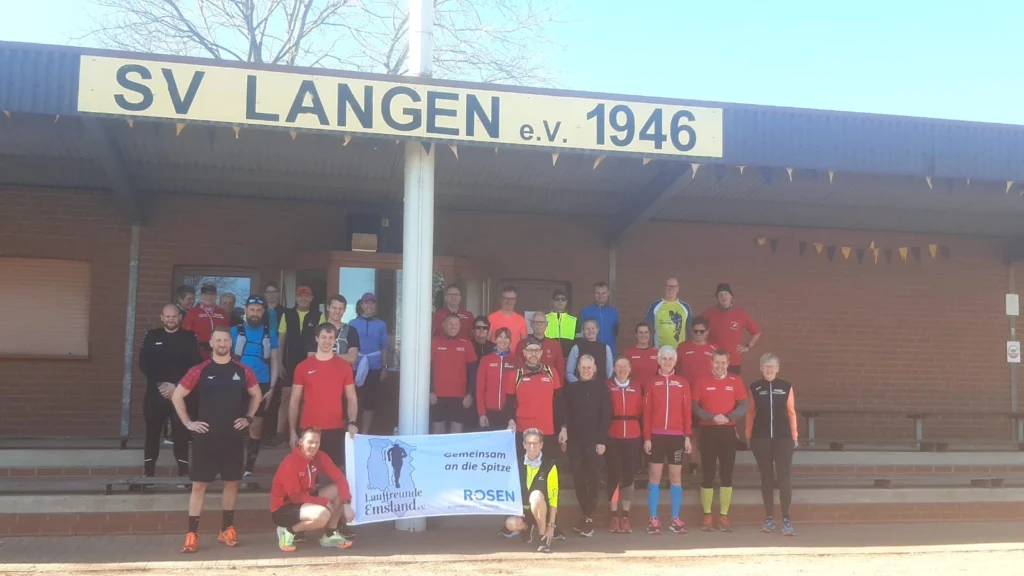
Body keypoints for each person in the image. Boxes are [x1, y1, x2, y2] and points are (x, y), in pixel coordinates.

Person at [172, 327, 262, 553]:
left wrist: (248, 418)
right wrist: (188, 423)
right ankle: (192, 535)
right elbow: (177, 396)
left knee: (232, 483)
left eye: (226, 340)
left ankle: (226, 530)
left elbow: (257, 394)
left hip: (232, 437)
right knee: (199, 485)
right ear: (211, 343)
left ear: (230, 344)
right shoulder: (199, 370)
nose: (222, 343)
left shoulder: (243, 370)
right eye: (218, 340)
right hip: (206, 438)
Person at [501, 337, 568, 541]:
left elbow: (561, 403)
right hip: (523, 434)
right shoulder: (516, 374)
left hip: (547, 434)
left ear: (541, 353)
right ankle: (521, 522)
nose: (533, 354)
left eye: (537, 350)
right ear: (524, 353)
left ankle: (551, 525)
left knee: (549, 482)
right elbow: (508, 404)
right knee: (520, 481)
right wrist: (510, 420)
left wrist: (563, 428)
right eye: (529, 350)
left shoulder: (551, 372)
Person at [139, 303, 202, 480]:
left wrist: (176, 385)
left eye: (174, 316)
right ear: (161, 317)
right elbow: (144, 364)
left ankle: (183, 475)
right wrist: (161, 384)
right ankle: (148, 474)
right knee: (152, 433)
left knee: (181, 435)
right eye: (167, 316)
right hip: (155, 394)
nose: (170, 319)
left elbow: (195, 366)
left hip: (180, 396)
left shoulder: (189, 337)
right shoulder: (152, 336)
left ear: (180, 318)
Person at [271, 427, 355, 551]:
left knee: (338, 489)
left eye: (317, 443)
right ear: (300, 442)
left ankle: (330, 534)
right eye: (310, 442)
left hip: (305, 498)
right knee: (322, 515)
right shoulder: (290, 463)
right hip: (284, 507)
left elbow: (340, 478)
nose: (314, 446)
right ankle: (288, 531)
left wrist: (347, 503)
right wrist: (324, 502)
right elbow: (295, 496)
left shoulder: (320, 456)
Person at [692, 349, 749, 532]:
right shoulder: (702, 380)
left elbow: (744, 404)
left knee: (726, 473)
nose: (719, 366)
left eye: (723, 363)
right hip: (708, 431)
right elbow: (694, 405)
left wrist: (730, 416)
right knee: (707, 472)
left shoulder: (736, 381)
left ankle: (724, 516)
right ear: (711, 362)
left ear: (728, 363)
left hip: (727, 431)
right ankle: (707, 515)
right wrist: (710, 417)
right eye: (716, 362)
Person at [745, 353, 798, 537]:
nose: (769, 369)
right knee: (766, 478)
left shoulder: (785, 387)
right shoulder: (754, 387)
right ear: (760, 367)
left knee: (784, 478)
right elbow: (750, 413)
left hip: (783, 438)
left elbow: (791, 412)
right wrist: (748, 435)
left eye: (772, 366)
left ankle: (786, 519)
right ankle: (769, 518)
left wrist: (794, 435)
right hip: (760, 438)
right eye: (766, 365)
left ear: (778, 368)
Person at [290, 323, 359, 464]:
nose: (327, 341)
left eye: (330, 338)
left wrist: (352, 422)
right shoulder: (303, 367)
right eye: (323, 337)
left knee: (336, 476)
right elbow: (294, 401)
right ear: (317, 338)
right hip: (308, 430)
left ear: (335, 340)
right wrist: (292, 431)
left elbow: (351, 398)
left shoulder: (344, 367)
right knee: (307, 478)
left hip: (335, 429)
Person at [642, 346, 693, 535]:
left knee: (675, 477)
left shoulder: (683, 383)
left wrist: (687, 436)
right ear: (658, 359)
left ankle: (675, 518)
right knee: (654, 477)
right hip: (656, 436)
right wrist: (647, 438)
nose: (667, 361)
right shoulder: (651, 383)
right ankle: (653, 518)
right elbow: (646, 413)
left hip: (677, 436)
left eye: (670, 358)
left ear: (676, 360)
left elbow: (687, 411)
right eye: (664, 358)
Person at [230, 296, 281, 476]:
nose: (255, 313)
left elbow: (275, 360)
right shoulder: (234, 331)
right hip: (236, 382)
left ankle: (248, 469)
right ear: (246, 310)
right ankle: (231, 466)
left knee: (256, 425)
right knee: (233, 424)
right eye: (252, 309)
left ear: (263, 313)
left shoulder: (270, 333)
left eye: (259, 310)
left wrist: (273, 387)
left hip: (262, 382)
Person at [564, 355, 610, 538]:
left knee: (592, 479)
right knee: (578, 478)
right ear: (578, 368)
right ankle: (584, 515)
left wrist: (601, 441)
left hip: (594, 442)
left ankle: (589, 517)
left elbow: (605, 416)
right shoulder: (571, 389)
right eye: (582, 367)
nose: (585, 370)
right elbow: (566, 413)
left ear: (595, 368)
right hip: (575, 441)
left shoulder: (602, 389)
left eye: (588, 367)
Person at [275, 285, 322, 443]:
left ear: (311, 298)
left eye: (306, 295)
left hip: (310, 364)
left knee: (305, 399)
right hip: (289, 363)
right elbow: (281, 340)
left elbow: (322, 342)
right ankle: (280, 434)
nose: (303, 298)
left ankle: (302, 432)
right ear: (296, 298)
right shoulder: (286, 314)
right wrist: (280, 363)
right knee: (286, 398)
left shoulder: (319, 315)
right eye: (300, 295)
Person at [503, 429, 560, 554]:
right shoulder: (516, 463)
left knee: (536, 495)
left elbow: (553, 497)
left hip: (542, 510)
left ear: (541, 445)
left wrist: (551, 526)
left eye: (535, 443)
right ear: (524, 445)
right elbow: (510, 490)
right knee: (510, 523)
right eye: (529, 443)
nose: (532, 446)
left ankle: (543, 537)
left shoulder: (550, 465)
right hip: (524, 512)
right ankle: (526, 528)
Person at [605, 357, 642, 534]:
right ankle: (613, 516)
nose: (621, 369)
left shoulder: (636, 386)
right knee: (613, 475)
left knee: (629, 476)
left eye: (625, 366)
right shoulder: (607, 386)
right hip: (613, 434)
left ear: (630, 369)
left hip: (633, 435)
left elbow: (642, 410)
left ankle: (625, 515)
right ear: (613, 369)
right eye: (618, 366)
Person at [430, 314, 478, 434]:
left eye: (456, 324)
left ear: (460, 326)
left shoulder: (466, 343)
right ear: (443, 325)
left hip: (460, 396)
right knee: (437, 431)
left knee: (456, 433)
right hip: (437, 396)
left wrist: (470, 394)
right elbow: (428, 370)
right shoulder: (434, 342)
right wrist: (430, 391)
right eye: (450, 324)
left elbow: (473, 371)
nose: (453, 327)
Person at [702, 283, 762, 376]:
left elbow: (756, 332)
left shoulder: (741, 314)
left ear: (731, 296)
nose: (723, 296)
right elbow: (697, 328)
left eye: (725, 293)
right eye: (720, 294)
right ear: (717, 298)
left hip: (733, 361)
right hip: (714, 360)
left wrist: (748, 346)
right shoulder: (709, 312)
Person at [350, 292, 389, 435]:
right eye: (367, 303)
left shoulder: (381, 325)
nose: (369, 306)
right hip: (355, 365)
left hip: (374, 367)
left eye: (372, 303)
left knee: (370, 401)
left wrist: (384, 367)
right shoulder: (352, 324)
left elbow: (384, 347)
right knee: (354, 399)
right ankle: (352, 429)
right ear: (361, 305)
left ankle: (365, 433)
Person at [476, 328, 519, 431]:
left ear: (510, 341)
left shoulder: (516, 360)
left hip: (510, 412)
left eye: (506, 337)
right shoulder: (486, 360)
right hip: (490, 411)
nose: (503, 340)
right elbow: (480, 388)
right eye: (500, 337)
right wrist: (481, 413)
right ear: (495, 339)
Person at [182, 284, 230, 361]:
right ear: (201, 296)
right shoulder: (192, 313)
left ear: (216, 296)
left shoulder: (223, 314)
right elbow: (184, 335)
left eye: (211, 295)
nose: (208, 297)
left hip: (219, 353)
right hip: (198, 353)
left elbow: (229, 334)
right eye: (205, 294)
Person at [515, 312, 565, 382]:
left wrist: (558, 389)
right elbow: (517, 367)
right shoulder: (522, 344)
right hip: (527, 383)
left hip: (549, 385)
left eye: (542, 322)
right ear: (531, 324)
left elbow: (560, 370)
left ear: (546, 324)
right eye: (536, 322)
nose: (539, 324)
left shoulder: (555, 345)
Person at [644, 277, 693, 349]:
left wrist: (688, 349)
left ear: (678, 289)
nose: (671, 289)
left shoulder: (685, 307)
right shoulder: (654, 306)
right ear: (664, 288)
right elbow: (648, 329)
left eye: (674, 286)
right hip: (659, 350)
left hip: (679, 351)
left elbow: (690, 330)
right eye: (668, 286)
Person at [565, 319, 613, 383]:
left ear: (597, 329)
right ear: (583, 331)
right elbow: (569, 372)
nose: (590, 331)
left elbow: (609, 373)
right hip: (580, 387)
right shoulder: (576, 347)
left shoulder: (606, 348)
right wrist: (577, 384)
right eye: (587, 329)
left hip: (600, 386)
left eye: (593, 328)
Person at [579, 282, 620, 354]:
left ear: (608, 293)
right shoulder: (585, 311)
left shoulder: (613, 312)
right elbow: (580, 333)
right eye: (598, 293)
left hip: (609, 352)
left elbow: (616, 332)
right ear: (594, 294)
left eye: (603, 293)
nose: (601, 296)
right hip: (590, 352)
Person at [319, 295, 360, 365]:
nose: (337, 311)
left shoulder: (351, 331)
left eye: (340, 308)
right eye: (334, 308)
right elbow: (311, 356)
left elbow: (352, 358)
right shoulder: (317, 330)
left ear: (344, 310)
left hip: (343, 374)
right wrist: (341, 357)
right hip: (321, 373)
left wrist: (326, 356)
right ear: (328, 307)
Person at [676, 316, 716, 384]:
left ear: (707, 331)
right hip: (686, 387)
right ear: (692, 331)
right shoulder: (682, 347)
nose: (698, 333)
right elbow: (676, 368)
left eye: (702, 331)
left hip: (706, 388)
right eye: (695, 331)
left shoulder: (714, 349)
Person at [624, 322, 659, 390]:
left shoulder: (657, 353)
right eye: (640, 332)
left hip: (653, 390)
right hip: (635, 391)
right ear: (636, 335)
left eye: (646, 332)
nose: (643, 335)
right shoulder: (629, 353)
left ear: (649, 334)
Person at [544, 288, 577, 357]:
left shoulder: (574, 320)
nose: (560, 301)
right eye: (557, 299)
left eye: (563, 299)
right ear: (552, 301)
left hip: (568, 358)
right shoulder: (544, 319)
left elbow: (579, 342)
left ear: (566, 302)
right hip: (549, 357)